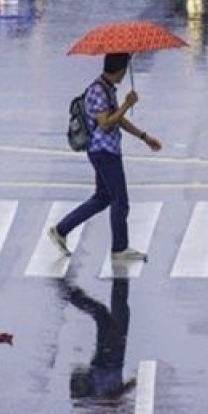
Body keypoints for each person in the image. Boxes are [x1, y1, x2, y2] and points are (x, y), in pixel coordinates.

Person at [49, 53, 161, 262]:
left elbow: (118, 120)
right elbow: (106, 123)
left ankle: (61, 229)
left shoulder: (107, 88)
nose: (125, 75)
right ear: (120, 70)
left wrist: (144, 137)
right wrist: (127, 104)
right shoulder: (98, 91)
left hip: (106, 150)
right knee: (120, 201)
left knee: (103, 198)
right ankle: (120, 248)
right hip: (104, 152)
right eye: (125, 69)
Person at [63, 279, 134, 411]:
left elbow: (111, 398)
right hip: (103, 365)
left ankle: (121, 277)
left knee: (118, 314)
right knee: (102, 315)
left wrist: (129, 387)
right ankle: (71, 294)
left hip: (110, 363)